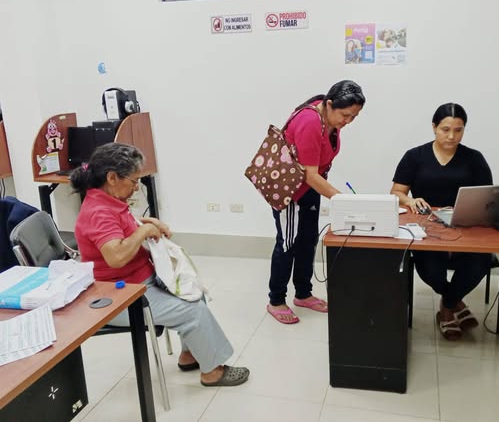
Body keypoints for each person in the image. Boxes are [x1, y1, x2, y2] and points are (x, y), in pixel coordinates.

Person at [71, 142, 249, 386]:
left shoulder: (106, 200)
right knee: (193, 311)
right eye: (134, 181)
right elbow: (116, 256)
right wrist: (144, 231)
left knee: (194, 292)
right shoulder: (97, 212)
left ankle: (190, 355)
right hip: (118, 296)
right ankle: (213, 372)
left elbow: (121, 225)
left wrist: (147, 222)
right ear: (112, 178)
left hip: (137, 281)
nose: (136, 187)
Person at [390, 103, 492, 341]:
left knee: (480, 262)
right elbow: (396, 192)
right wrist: (411, 200)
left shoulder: (474, 159)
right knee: (431, 269)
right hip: (427, 230)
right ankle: (454, 302)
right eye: (445, 129)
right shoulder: (415, 156)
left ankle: (447, 306)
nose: (451, 136)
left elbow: (487, 198)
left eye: (458, 130)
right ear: (434, 127)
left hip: (466, 229)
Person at [267, 80, 366, 324]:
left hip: (309, 187)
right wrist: (342, 199)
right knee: (288, 243)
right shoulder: (310, 121)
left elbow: (314, 172)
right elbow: (309, 174)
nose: (348, 121)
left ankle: (303, 293)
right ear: (329, 104)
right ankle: (276, 300)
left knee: (308, 240)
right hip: (290, 191)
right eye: (345, 115)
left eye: (353, 117)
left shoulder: (330, 118)